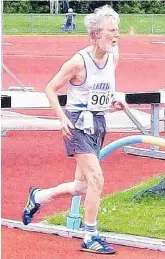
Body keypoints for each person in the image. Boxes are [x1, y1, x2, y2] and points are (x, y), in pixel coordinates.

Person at [22, 5, 129, 254]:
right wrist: (61, 118)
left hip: (98, 124)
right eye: (111, 31)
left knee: (81, 187)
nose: (116, 35)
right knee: (97, 179)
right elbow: (50, 87)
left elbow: (101, 90)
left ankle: (38, 197)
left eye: (117, 30)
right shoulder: (78, 62)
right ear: (94, 34)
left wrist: (113, 100)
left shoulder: (114, 56)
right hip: (77, 126)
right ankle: (90, 235)